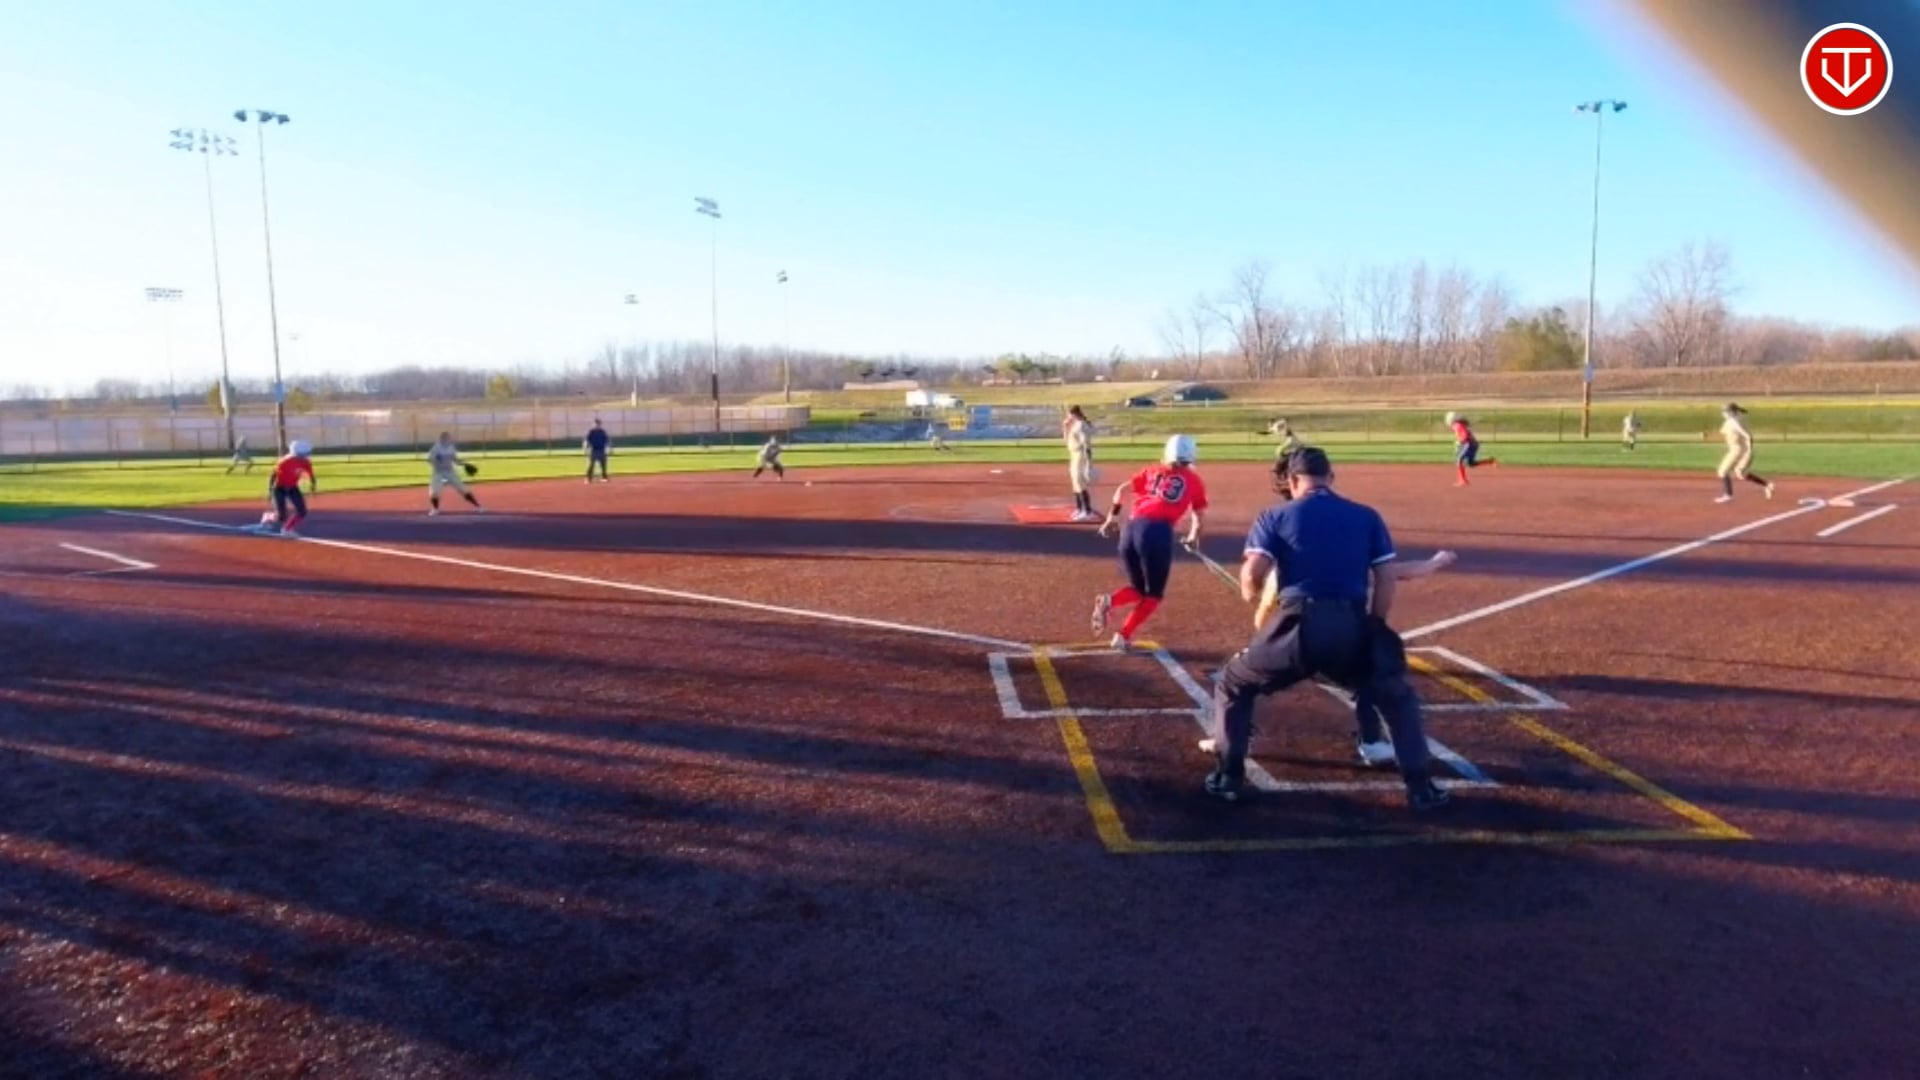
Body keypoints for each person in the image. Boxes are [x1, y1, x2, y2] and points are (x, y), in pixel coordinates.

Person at [1205, 445, 1449, 810]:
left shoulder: (1274, 515)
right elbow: (1386, 578)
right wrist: (1374, 625)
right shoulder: (1366, 515)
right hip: (1350, 625)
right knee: (1396, 695)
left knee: (1233, 682)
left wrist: (1250, 592)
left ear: (1292, 480)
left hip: (1294, 627)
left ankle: (1228, 777)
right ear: (1330, 478)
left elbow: (1252, 575)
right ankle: (1420, 788)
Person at [1091, 434, 1208, 652]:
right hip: (1157, 532)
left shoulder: (1151, 471)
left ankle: (1109, 600)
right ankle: (1123, 635)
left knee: (1138, 589)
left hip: (1131, 529)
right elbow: (1199, 516)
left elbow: (1122, 490)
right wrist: (1194, 537)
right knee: (1154, 593)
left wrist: (1111, 518)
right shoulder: (1193, 480)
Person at [1714, 402, 1775, 503]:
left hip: (1737, 450)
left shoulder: (1733, 422)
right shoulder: (1737, 418)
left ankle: (1728, 495)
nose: (1723, 413)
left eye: (1725, 411)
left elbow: (1747, 435)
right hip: (1741, 449)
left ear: (1731, 412)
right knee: (1740, 473)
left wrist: (1749, 448)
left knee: (1722, 471)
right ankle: (1767, 485)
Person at [255, 440, 315, 537]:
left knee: (302, 511)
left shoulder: (305, 462)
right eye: (303, 454)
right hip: (279, 488)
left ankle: (287, 529)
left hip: (293, 487)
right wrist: (270, 490)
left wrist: (313, 485)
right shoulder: (284, 462)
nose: (305, 456)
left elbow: (311, 474)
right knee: (282, 516)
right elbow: (273, 476)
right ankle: (268, 516)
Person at [426, 431, 485, 516]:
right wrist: (436, 460)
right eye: (444, 438)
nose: (446, 440)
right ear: (440, 439)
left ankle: (478, 506)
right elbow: (429, 460)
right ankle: (435, 509)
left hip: (450, 471)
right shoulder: (436, 448)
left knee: (463, 489)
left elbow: (455, 460)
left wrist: (464, 464)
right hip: (438, 472)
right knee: (434, 492)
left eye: (447, 438)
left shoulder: (451, 447)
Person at [1063, 405, 1098, 522]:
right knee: (1075, 483)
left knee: (1080, 483)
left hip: (1080, 455)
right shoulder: (1075, 425)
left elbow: (1086, 446)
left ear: (1073, 414)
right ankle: (1079, 508)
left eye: (1069, 414)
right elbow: (1067, 441)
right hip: (1074, 455)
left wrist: (1088, 463)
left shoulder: (1081, 425)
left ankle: (1087, 511)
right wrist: (1065, 426)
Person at [1445, 411, 1498, 486]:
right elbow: (1463, 435)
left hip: (1469, 444)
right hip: (1472, 444)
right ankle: (1490, 461)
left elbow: (1465, 436)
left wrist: (1459, 442)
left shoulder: (1457, 425)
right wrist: (1459, 442)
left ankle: (1463, 480)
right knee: (1471, 463)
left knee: (1460, 460)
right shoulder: (1458, 425)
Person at [583, 418, 611, 483]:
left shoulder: (602, 432)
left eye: (598, 424)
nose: (597, 425)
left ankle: (604, 477)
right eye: (596, 424)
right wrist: (585, 448)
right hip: (593, 450)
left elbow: (607, 440)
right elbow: (586, 440)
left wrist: (609, 448)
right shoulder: (591, 432)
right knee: (591, 465)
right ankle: (588, 478)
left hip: (601, 450)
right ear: (593, 424)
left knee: (603, 465)